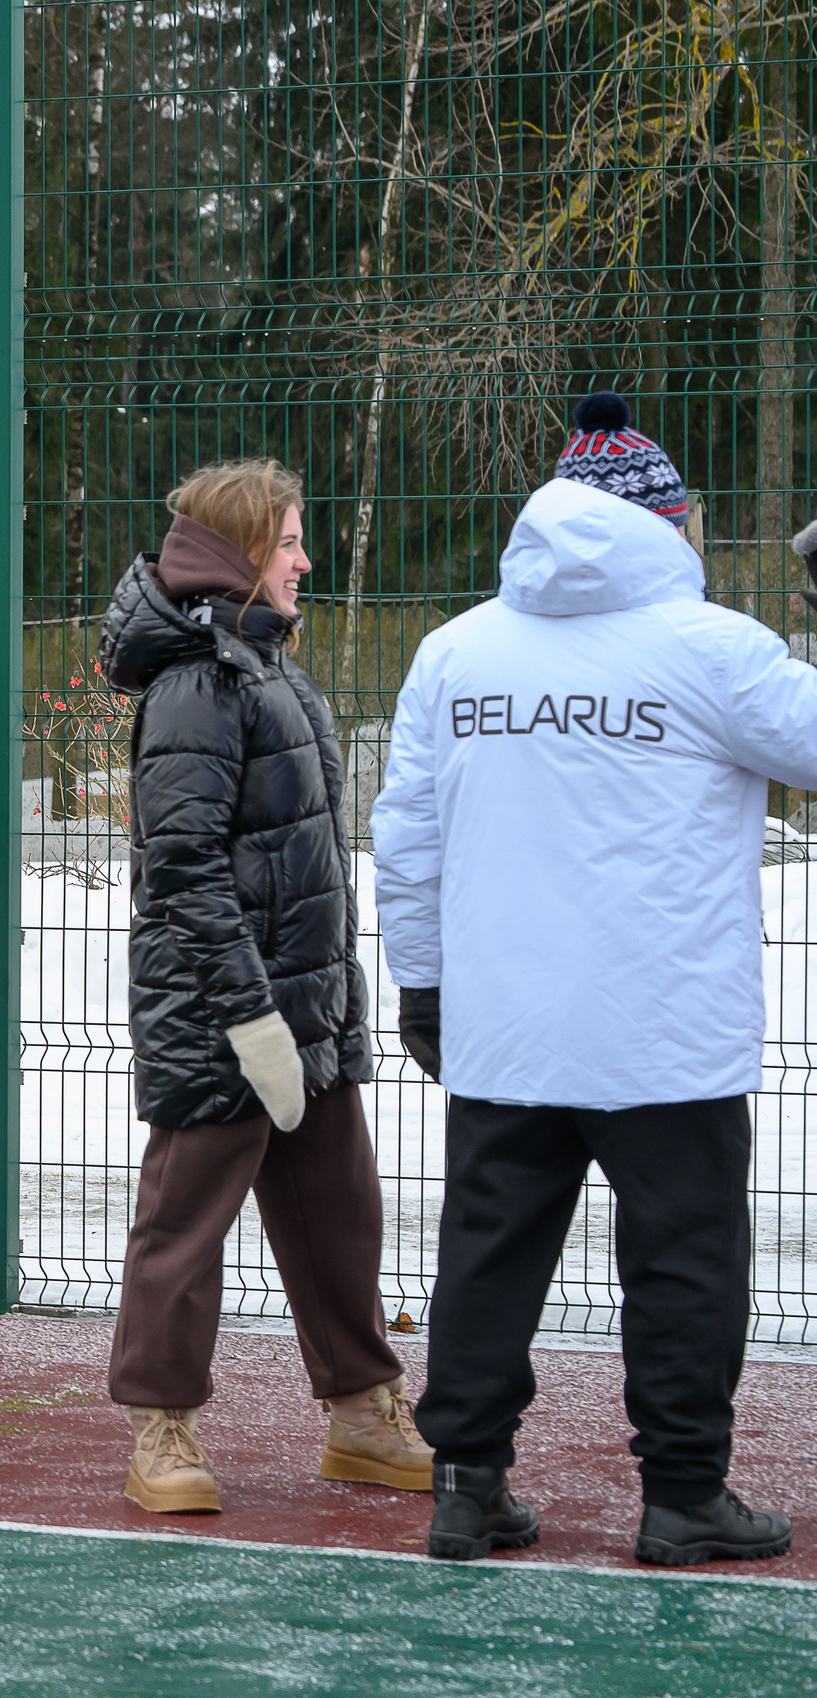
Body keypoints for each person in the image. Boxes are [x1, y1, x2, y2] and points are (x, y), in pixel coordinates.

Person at [375, 392, 811, 1566]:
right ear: (670, 526)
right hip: (666, 1028)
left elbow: (404, 831)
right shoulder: (712, 648)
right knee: (683, 1264)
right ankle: (682, 1496)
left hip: (502, 1020)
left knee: (486, 1251)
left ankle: (467, 1487)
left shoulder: (455, 651)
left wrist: (420, 981)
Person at [97, 458, 426, 1515]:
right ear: (243, 555)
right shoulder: (198, 683)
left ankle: (364, 1417)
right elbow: (180, 871)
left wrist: (320, 1012)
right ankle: (161, 1429)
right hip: (224, 1019)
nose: (304, 558)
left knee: (338, 1214)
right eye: (288, 541)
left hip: (307, 1016)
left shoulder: (267, 666)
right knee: (184, 1228)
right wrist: (247, 1019)